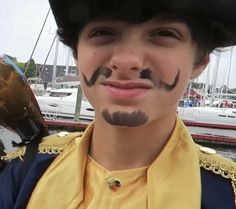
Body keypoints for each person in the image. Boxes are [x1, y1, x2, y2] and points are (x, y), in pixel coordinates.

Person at [0, 0, 236, 208]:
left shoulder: (228, 194)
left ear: (200, 60)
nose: (126, 61)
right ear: (77, 53)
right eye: (103, 32)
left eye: (163, 34)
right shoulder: (19, 174)